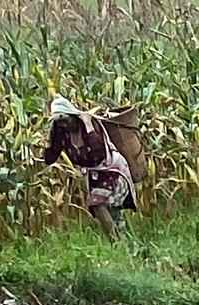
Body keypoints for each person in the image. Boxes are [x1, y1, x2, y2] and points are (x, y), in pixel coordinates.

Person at [39, 97, 137, 234]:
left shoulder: (90, 125)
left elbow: (98, 153)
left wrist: (88, 124)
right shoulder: (62, 132)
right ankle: (130, 248)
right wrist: (50, 138)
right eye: (59, 122)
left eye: (65, 120)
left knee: (97, 204)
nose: (64, 125)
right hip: (95, 177)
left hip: (113, 170)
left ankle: (116, 243)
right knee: (113, 215)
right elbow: (50, 158)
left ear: (73, 116)